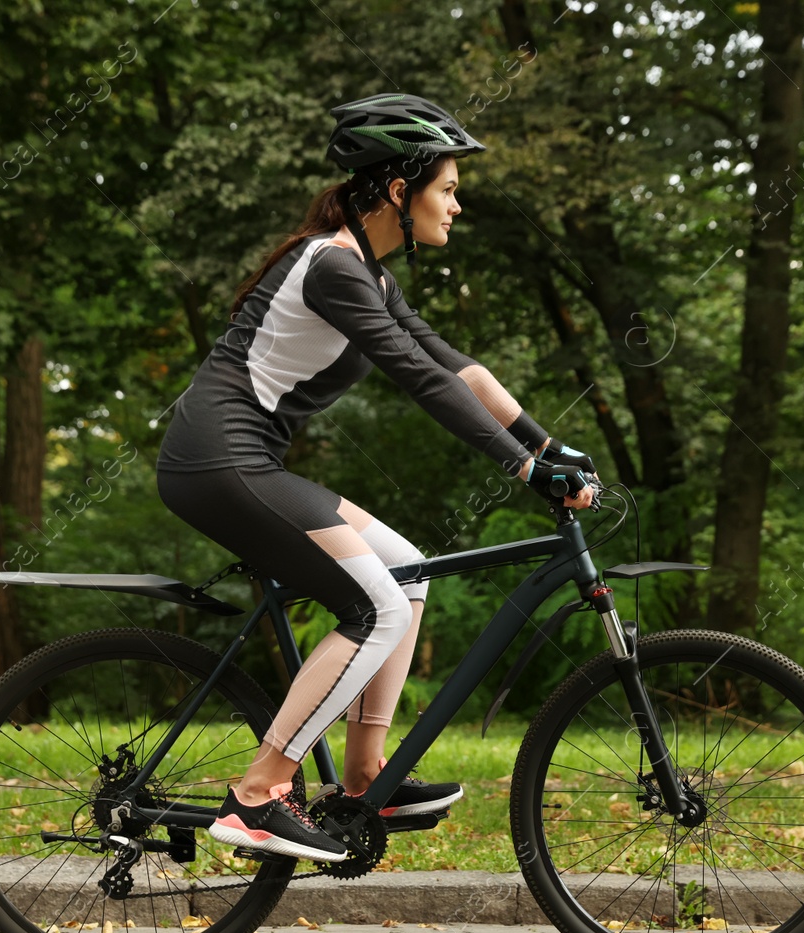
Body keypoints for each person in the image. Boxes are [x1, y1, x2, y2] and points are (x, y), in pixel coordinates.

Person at [156, 93, 600, 862]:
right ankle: (257, 795)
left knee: (408, 571)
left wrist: (549, 446)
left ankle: (366, 776)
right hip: (217, 461)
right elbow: (422, 385)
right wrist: (523, 468)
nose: (458, 204)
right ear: (400, 190)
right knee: (376, 607)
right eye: (448, 188)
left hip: (248, 460)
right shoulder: (333, 267)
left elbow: (460, 371)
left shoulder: (371, 277)